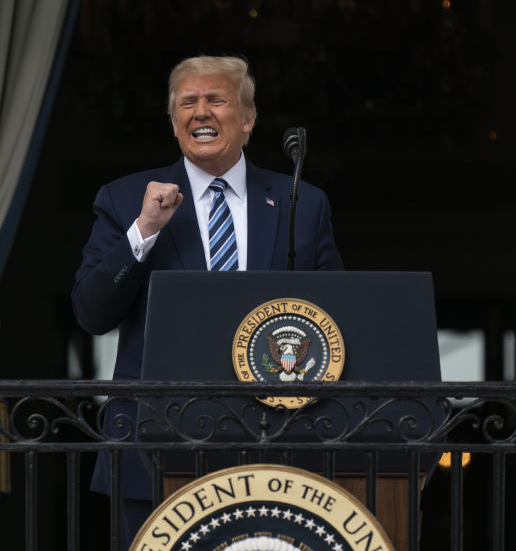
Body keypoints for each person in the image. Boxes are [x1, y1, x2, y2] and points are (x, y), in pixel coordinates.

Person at [71, 55, 343, 546]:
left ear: (247, 119)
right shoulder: (126, 198)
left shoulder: (301, 201)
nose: (201, 112)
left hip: (278, 448)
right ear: (173, 122)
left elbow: (339, 319)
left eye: (216, 100)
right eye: (187, 102)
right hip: (153, 450)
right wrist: (144, 230)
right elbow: (91, 313)